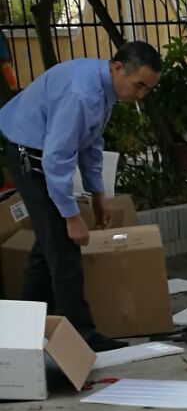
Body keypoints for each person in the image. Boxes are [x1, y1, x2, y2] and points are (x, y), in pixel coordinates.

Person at [0, 42, 161, 349]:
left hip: (41, 150)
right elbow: (56, 159)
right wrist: (72, 217)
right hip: (29, 153)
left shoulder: (104, 88)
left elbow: (91, 143)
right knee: (64, 248)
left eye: (148, 89)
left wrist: (98, 195)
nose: (140, 95)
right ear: (117, 68)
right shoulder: (82, 94)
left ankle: (21, 335)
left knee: (48, 246)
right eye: (139, 85)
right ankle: (81, 338)